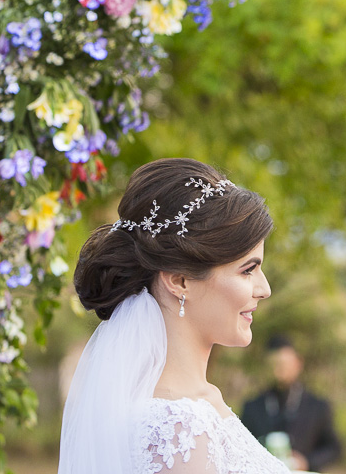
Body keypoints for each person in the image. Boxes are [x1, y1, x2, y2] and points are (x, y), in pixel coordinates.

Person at [58, 157, 289, 474]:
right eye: (247, 270)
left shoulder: (201, 402)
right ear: (180, 281)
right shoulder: (180, 428)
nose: (265, 289)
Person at [242, 336, 343, 471]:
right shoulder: (253, 407)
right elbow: (242, 447)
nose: (279, 370)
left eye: (284, 364)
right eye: (274, 364)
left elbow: (333, 448)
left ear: (298, 363)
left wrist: (306, 462)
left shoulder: (317, 406)